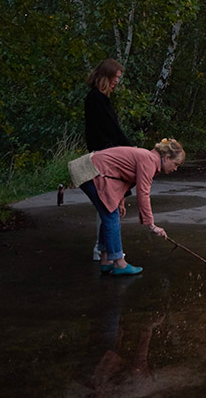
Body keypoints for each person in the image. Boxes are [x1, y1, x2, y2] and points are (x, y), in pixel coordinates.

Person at [80, 139, 185, 276]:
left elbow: (124, 175)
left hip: (92, 170)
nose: (175, 169)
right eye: (175, 164)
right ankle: (119, 263)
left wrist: (121, 201)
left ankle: (106, 260)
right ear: (166, 158)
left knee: (110, 215)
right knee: (111, 217)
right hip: (92, 172)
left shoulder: (148, 158)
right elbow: (143, 193)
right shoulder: (149, 160)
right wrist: (151, 224)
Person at [84, 59, 133, 262]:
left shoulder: (100, 99)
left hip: (108, 153)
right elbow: (109, 131)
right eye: (115, 77)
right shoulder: (96, 99)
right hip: (105, 157)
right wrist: (131, 149)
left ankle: (104, 254)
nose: (116, 82)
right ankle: (110, 255)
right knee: (109, 208)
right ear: (106, 75)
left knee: (109, 207)